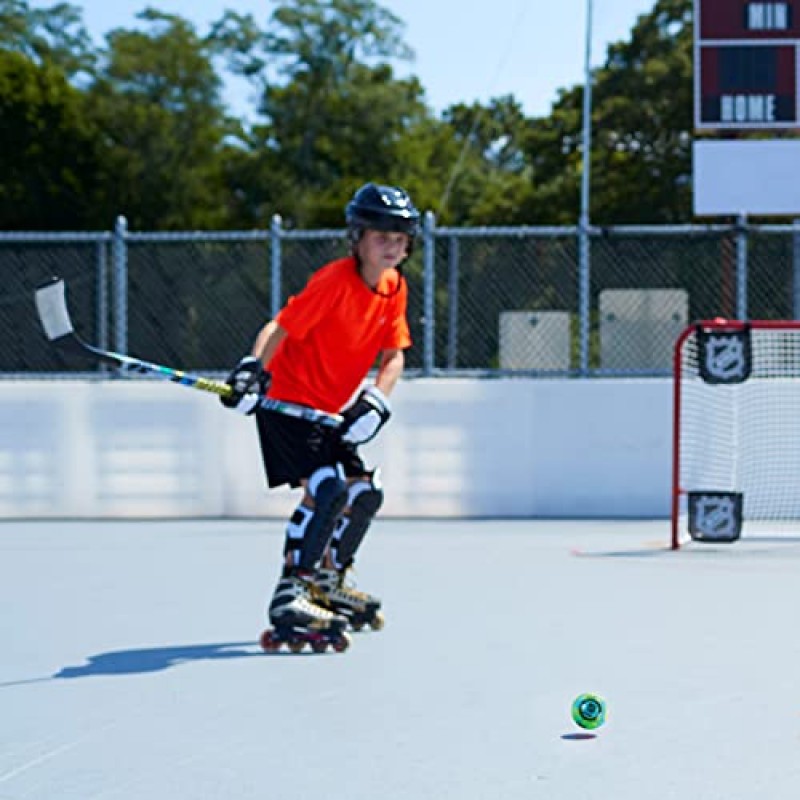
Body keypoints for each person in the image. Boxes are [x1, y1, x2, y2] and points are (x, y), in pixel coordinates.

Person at [220, 182, 419, 648]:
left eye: (401, 236)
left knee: (365, 493)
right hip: (287, 403)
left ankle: (328, 579)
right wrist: (254, 371)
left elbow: (394, 357)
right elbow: (280, 327)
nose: (392, 244)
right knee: (327, 488)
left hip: (328, 412)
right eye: (381, 234)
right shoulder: (335, 282)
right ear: (358, 238)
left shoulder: (394, 288)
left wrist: (377, 401)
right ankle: (292, 590)